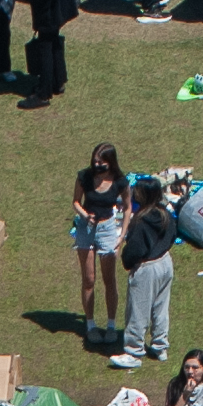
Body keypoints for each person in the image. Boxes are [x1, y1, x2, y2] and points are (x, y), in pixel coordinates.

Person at [70, 143, 129, 352]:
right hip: (86, 228)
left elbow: (128, 207)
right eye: (95, 161)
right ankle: (90, 324)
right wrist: (85, 215)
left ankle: (111, 325)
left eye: (101, 162)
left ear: (110, 162)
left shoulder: (120, 181)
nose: (97, 165)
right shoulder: (84, 177)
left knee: (109, 280)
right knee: (89, 279)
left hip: (107, 228)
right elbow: (76, 201)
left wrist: (121, 235)